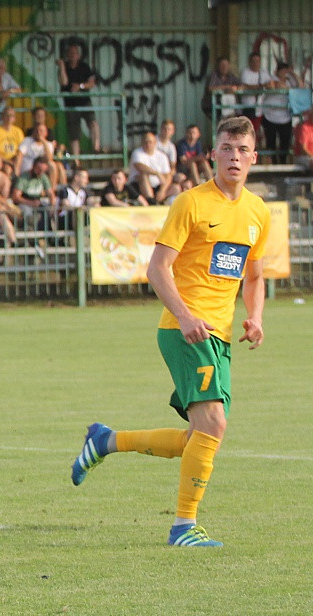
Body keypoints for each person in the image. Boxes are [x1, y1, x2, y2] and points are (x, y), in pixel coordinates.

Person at [71, 116, 270, 549]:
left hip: (219, 336)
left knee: (200, 437)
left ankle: (106, 441)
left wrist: (255, 316)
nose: (234, 157)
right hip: (185, 330)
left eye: (242, 150)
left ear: (254, 157)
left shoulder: (258, 211)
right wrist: (184, 316)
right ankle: (183, 527)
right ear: (212, 154)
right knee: (213, 424)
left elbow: (254, 276)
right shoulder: (191, 203)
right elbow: (157, 268)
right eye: (226, 148)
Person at [57, 43, 101, 157]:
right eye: (70, 53)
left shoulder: (84, 67)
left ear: (78, 55)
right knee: (74, 134)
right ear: (67, 55)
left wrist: (80, 86)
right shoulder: (64, 67)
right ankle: (76, 160)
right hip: (70, 104)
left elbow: (92, 83)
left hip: (84, 101)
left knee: (93, 123)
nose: (73, 55)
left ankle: (96, 147)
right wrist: (62, 67)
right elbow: (64, 82)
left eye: (75, 53)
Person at [261, 62, 300, 164]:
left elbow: (301, 85)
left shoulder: (290, 80)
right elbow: (271, 85)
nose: (284, 73)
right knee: (271, 143)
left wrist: (292, 73)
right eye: (282, 71)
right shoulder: (272, 79)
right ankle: (273, 164)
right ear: (277, 71)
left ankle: (283, 163)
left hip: (285, 117)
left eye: (286, 71)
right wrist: (283, 87)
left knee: (285, 143)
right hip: (270, 116)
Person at [128, 131, 175, 204]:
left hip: (159, 186)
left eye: (150, 142)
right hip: (139, 186)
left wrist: (162, 191)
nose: (148, 144)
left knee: (176, 188)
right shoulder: (137, 153)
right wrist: (156, 173)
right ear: (142, 143)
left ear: (155, 143)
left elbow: (168, 176)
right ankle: (151, 201)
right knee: (143, 175)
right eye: (145, 142)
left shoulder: (162, 156)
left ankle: (162, 200)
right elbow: (139, 166)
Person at [17, 123, 65, 188]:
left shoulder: (48, 144)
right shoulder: (26, 141)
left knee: (52, 165)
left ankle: (52, 190)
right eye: (37, 130)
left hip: (42, 170)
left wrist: (43, 142)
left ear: (46, 133)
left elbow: (49, 159)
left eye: (41, 131)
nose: (38, 133)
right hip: (28, 168)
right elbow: (19, 155)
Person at [12, 156, 54, 227]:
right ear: (33, 166)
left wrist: (52, 206)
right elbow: (16, 197)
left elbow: (50, 193)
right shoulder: (23, 177)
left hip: (38, 202)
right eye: (39, 170)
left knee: (47, 213)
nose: (40, 173)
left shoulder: (43, 177)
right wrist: (30, 203)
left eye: (43, 171)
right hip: (25, 202)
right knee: (28, 215)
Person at [239, 52, 275, 132]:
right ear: (249, 62)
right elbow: (246, 86)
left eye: (257, 61)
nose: (256, 63)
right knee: (247, 132)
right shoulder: (245, 72)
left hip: (260, 108)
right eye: (253, 61)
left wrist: (270, 85)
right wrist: (263, 85)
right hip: (247, 106)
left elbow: (271, 84)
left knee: (257, 131)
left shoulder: (264, 73)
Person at [0, 106, 24, 173]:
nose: (9, 117)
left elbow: (21, 150)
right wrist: (9, 162)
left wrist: (15, 163)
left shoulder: (18, 131)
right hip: (2, 160)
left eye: (11, 115)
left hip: (15, 159)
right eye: (7, 115)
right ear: (2, 117)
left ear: (15, 118)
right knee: (7, 169)